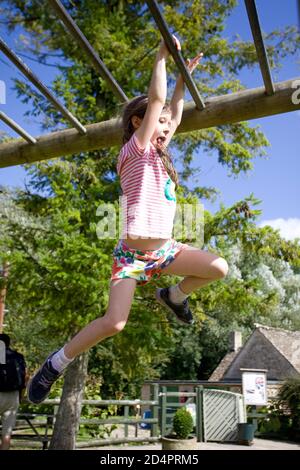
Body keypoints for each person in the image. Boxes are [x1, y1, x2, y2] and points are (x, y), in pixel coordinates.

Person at [27, 36, 228, 405]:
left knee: (218, 266)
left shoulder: (162, 155)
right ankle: (55, 364)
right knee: (114, 323)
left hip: (165, 251)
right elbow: (157, 102)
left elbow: (175, 108)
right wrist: (162, 58)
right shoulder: (134, 150)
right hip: (131, 257)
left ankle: (173, 294)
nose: (167, 127)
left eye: (168, 124)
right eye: (159, 123)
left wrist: (183, 81)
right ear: (139, 123)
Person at [0, 333, 27, 450]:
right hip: (13, 396)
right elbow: (25, 377)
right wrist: (21, 396)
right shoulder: (18, 357)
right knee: (7, 434)